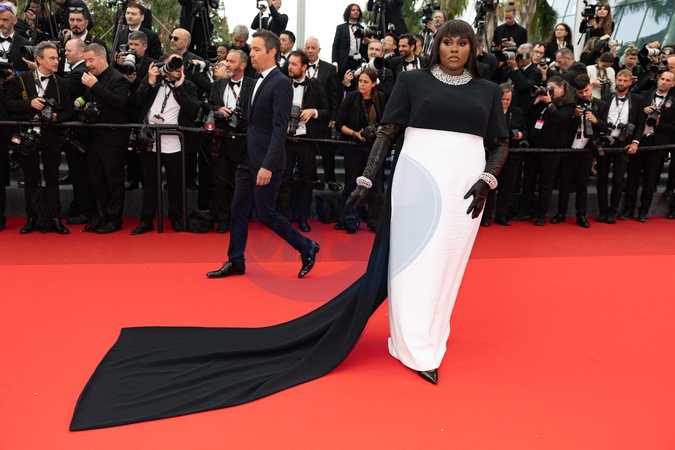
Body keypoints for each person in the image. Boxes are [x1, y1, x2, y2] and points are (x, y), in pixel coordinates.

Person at [69, 20, 507, 431]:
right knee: (410, 264)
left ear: (472, 48)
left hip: (466, 185)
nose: (454, 49)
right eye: (447, 41)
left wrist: (489, 177)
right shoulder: (413, 82)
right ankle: (413, 344)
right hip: (416, 178)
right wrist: (366, 178)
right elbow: (388, 132)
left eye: (462, 42)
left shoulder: (487, 91)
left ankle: (432, 333)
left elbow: (500, 142)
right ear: (436, 46)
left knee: (447, 264)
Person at [205, 30, 319, 280]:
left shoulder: (280, 83)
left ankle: (306, 246)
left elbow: (279, 129)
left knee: (266, 214)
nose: (251, 54)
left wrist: (267, 165)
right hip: (248, 158)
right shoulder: (257, 79)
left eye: (256, 49)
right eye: (251, 49)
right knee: (238, 210)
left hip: (268, 162)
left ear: (272, 52)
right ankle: (236, 260)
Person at [4, 41, 72, 234]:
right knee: (30, 178)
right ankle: (32, 218)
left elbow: (69, 111)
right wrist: (29, 104)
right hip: (27, 136)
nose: (56, 61)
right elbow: (9, 103)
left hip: (51, 137)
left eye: (57, 58)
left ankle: (55, 218)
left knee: (52, 178)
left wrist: (58, 117)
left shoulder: (61, 83)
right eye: (52, 58)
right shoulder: (22, 79)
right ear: (39, 59)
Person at [128, 53, 199, 235]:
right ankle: (147, 220)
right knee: (150, 184)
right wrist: (150, 82)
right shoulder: (153, 81)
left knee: (176, 184)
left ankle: (176, 219)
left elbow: (192, 110)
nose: (178, 68)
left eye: (180, 64)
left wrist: (179, 88)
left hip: (176, 143)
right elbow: (136, 102)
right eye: (173, 64)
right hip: (150, 142)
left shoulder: (188, 86)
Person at [81, 43, 130, 234]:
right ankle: (103, 214)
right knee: (96, 178)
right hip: (95, 138)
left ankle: (115, 219)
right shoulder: (91, 79)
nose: (88, 64)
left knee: (113, 180)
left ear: (102, 57)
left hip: (113, 139)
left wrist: (95, 86)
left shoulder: (118, 78)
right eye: (86, 61)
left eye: (91, 60)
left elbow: (120, 102)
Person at [278, 50, 329, 232]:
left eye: (294, 64)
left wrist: (312, 111)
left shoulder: (315, 85)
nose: (289, 67)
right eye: (289, 63)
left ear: (304, 67)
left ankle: (303, 219)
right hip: (285, 140)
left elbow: (326, 111)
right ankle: (284, 219)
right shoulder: (282, 83)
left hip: (307, 140)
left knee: (306, 181)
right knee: (284, 179)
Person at [515, 76, 576, 225]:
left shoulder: (568, 104)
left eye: (552, 89)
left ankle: (541, 214)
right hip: (534, 146)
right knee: (528, 180)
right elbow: (528, 118)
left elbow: (559, 119)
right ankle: (524, 210)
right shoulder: (542, 102)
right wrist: (535, 103)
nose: (549, 91)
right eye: (548, 88)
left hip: (552, 148)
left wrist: (549, 103)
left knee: (545, 182)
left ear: (562, 88)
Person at [206, 49, 254, 233]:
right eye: (227, 61)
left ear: (242, 65)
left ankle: (239, 218)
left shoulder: (253, 85)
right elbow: (209, 105)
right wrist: (218, 109)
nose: (227, 64)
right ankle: (223, 219)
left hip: (243, 141)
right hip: (221, 139)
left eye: (231, 61)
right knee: (220, 182)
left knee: (240, 183)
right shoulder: (218, 84)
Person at [552, 74, 608, 227]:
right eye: (581, 92)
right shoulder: (570, 103)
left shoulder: (601, 105)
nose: (584, 94)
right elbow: (560, 123)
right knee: (565, 183)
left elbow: (605, 127)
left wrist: (595, 120)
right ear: (575, 91)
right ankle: (561, 213)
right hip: (569, 149)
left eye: (587, 90)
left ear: (591, 86)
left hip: (587, 150)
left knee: (582, 185)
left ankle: (581, 215)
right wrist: (572, 115)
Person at [335, 67, 386, 233]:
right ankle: (347, 219)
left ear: (373, 84)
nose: (361, 84)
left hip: (375, 148)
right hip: (354, 147)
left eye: (365, 82)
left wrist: (378, 130)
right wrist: (355, 134)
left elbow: (386, 122)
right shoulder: (351, 97)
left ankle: (375, 221)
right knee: (351, 184)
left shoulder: (380, 98)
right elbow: (339, 124)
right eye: (360, 81)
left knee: (376, 186)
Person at [620, 70, 675, 222]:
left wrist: (658, 124)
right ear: (658, 79)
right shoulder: (643, 96)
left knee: (650, 181)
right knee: (632, 177)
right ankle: (628, 208)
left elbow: (673, 128)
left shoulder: (674, 103)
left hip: (657, 145)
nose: (664, 82)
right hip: (638, 141)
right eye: (662, 79)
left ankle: (644, 211)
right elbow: (631, 116)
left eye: (668, 80)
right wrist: (642, 111)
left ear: (673, 84)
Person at [596, 69, 644, 223]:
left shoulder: (638, 100)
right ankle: (602, 211)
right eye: (619, 80)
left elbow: (640, 123)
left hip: (624, 143)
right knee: (601, 178)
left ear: (630, 82)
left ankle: (612, 211)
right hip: (606, 141)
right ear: (615, 80)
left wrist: (635, 142)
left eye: (625, 80)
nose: (621, 83)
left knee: (618, 179)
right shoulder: (606, 98)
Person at [482, 83, 526, 226]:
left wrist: (521, 135)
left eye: (508, 99)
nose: (505, 102)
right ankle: (486, 217)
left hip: (512, 154)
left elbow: (526, 131)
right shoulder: (490, 111)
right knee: (490, 185)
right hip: (494, 154)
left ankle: (502, 215)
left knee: (508, 186)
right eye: (503, 99)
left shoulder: (517, 112)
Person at [331, 3, 367, 81]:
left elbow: (362, 47)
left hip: (357, 61)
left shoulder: (362, 28)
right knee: (343, 83)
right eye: (353, 10)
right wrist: (334, 62)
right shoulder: (341, 28)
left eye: (357, 10)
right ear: (348, 12)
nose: (356, 12)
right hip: (344, 61)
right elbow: (335, 46)